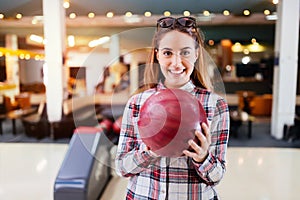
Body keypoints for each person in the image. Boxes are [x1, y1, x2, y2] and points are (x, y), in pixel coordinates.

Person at [115, 16, 230, 200]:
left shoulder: (215, 105)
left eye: (185, 52)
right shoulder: (137, 103)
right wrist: (150, 150)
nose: (176, 63)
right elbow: (121, 168)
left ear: (196, 54)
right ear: (157, 54)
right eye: (168, 53)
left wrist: (202, 158)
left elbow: (217, 176)